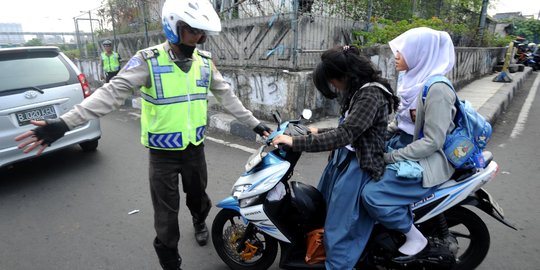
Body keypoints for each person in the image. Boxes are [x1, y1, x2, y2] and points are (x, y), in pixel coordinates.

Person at [15, 0, 272, 269]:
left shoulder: (205, 64)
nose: (200, 38)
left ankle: (199, 219)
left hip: (195, 149)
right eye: (194, 31)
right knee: (166, 216)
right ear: (175, 27)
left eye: (202, 32)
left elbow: (228, 97)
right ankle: (170, 259)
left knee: (199, 198)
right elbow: (110, 93)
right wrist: (64, 123)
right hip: (162, 156)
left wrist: (255, 124)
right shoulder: (148, 61)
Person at [272, 45, 399, 269]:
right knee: (323, 211)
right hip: (342, 162)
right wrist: (315, 131)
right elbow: (349, 127)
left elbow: (346, 134)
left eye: (332, 82)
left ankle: (337, 265)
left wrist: (295, 142)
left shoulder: (371, 94)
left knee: (340, 226)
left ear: (344, 75)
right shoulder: (358, 90)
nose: (334, 87)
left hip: (358, 168)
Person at [361, 27, 457, 263]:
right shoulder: (410, 79)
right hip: (403, 145)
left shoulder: (438, 89)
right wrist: (377, 135)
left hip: (424, 158)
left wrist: (391, 157)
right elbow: (401, 122)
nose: (395, 56)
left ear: (420, 53)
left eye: (401, 51)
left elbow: (433, 141)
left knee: (372, 195)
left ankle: (415, 238)